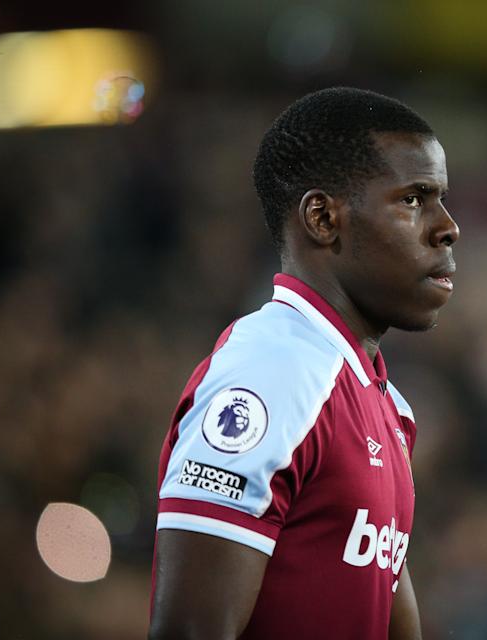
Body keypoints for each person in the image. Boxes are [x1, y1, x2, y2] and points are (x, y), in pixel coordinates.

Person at [148, 87, 459, 640]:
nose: (447, 226)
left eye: (440, 198)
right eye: (413, 199)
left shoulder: (384, 404)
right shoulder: (274, 373)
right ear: (322, 217)